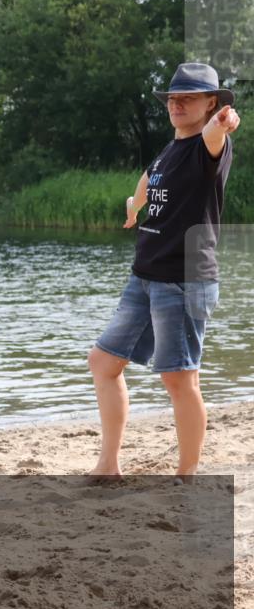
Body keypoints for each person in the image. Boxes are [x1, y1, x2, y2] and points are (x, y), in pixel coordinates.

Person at [88, 63, 240, 483]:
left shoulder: (209, 146)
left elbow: (220, 130)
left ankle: (187, 475)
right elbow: (149, 179)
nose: (177, 104)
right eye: (173, 97)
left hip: (184, 278)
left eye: (188, 97)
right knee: (103, 363)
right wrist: (134, 206)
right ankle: (108, 466)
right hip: (144, 276)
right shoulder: (171, 148)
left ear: (210, 103)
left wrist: (225, 122)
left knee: (178, 377)